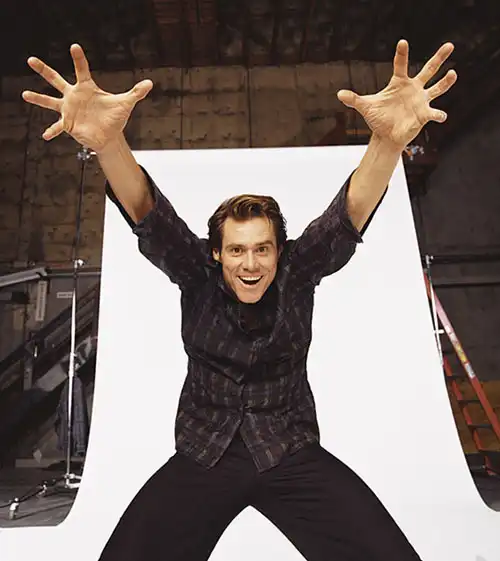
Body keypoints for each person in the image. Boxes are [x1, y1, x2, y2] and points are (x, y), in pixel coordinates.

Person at [22, 39, 457, 561]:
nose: (250, 264)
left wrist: (386, 143)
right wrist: (109, 143)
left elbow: (349, 214)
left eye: (262, 249)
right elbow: (146, 213)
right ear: (217, 253)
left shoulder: (299, 271)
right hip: (205, 453)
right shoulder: (196, 274)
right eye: (237, 250)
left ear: (279, 251)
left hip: (288, 450)